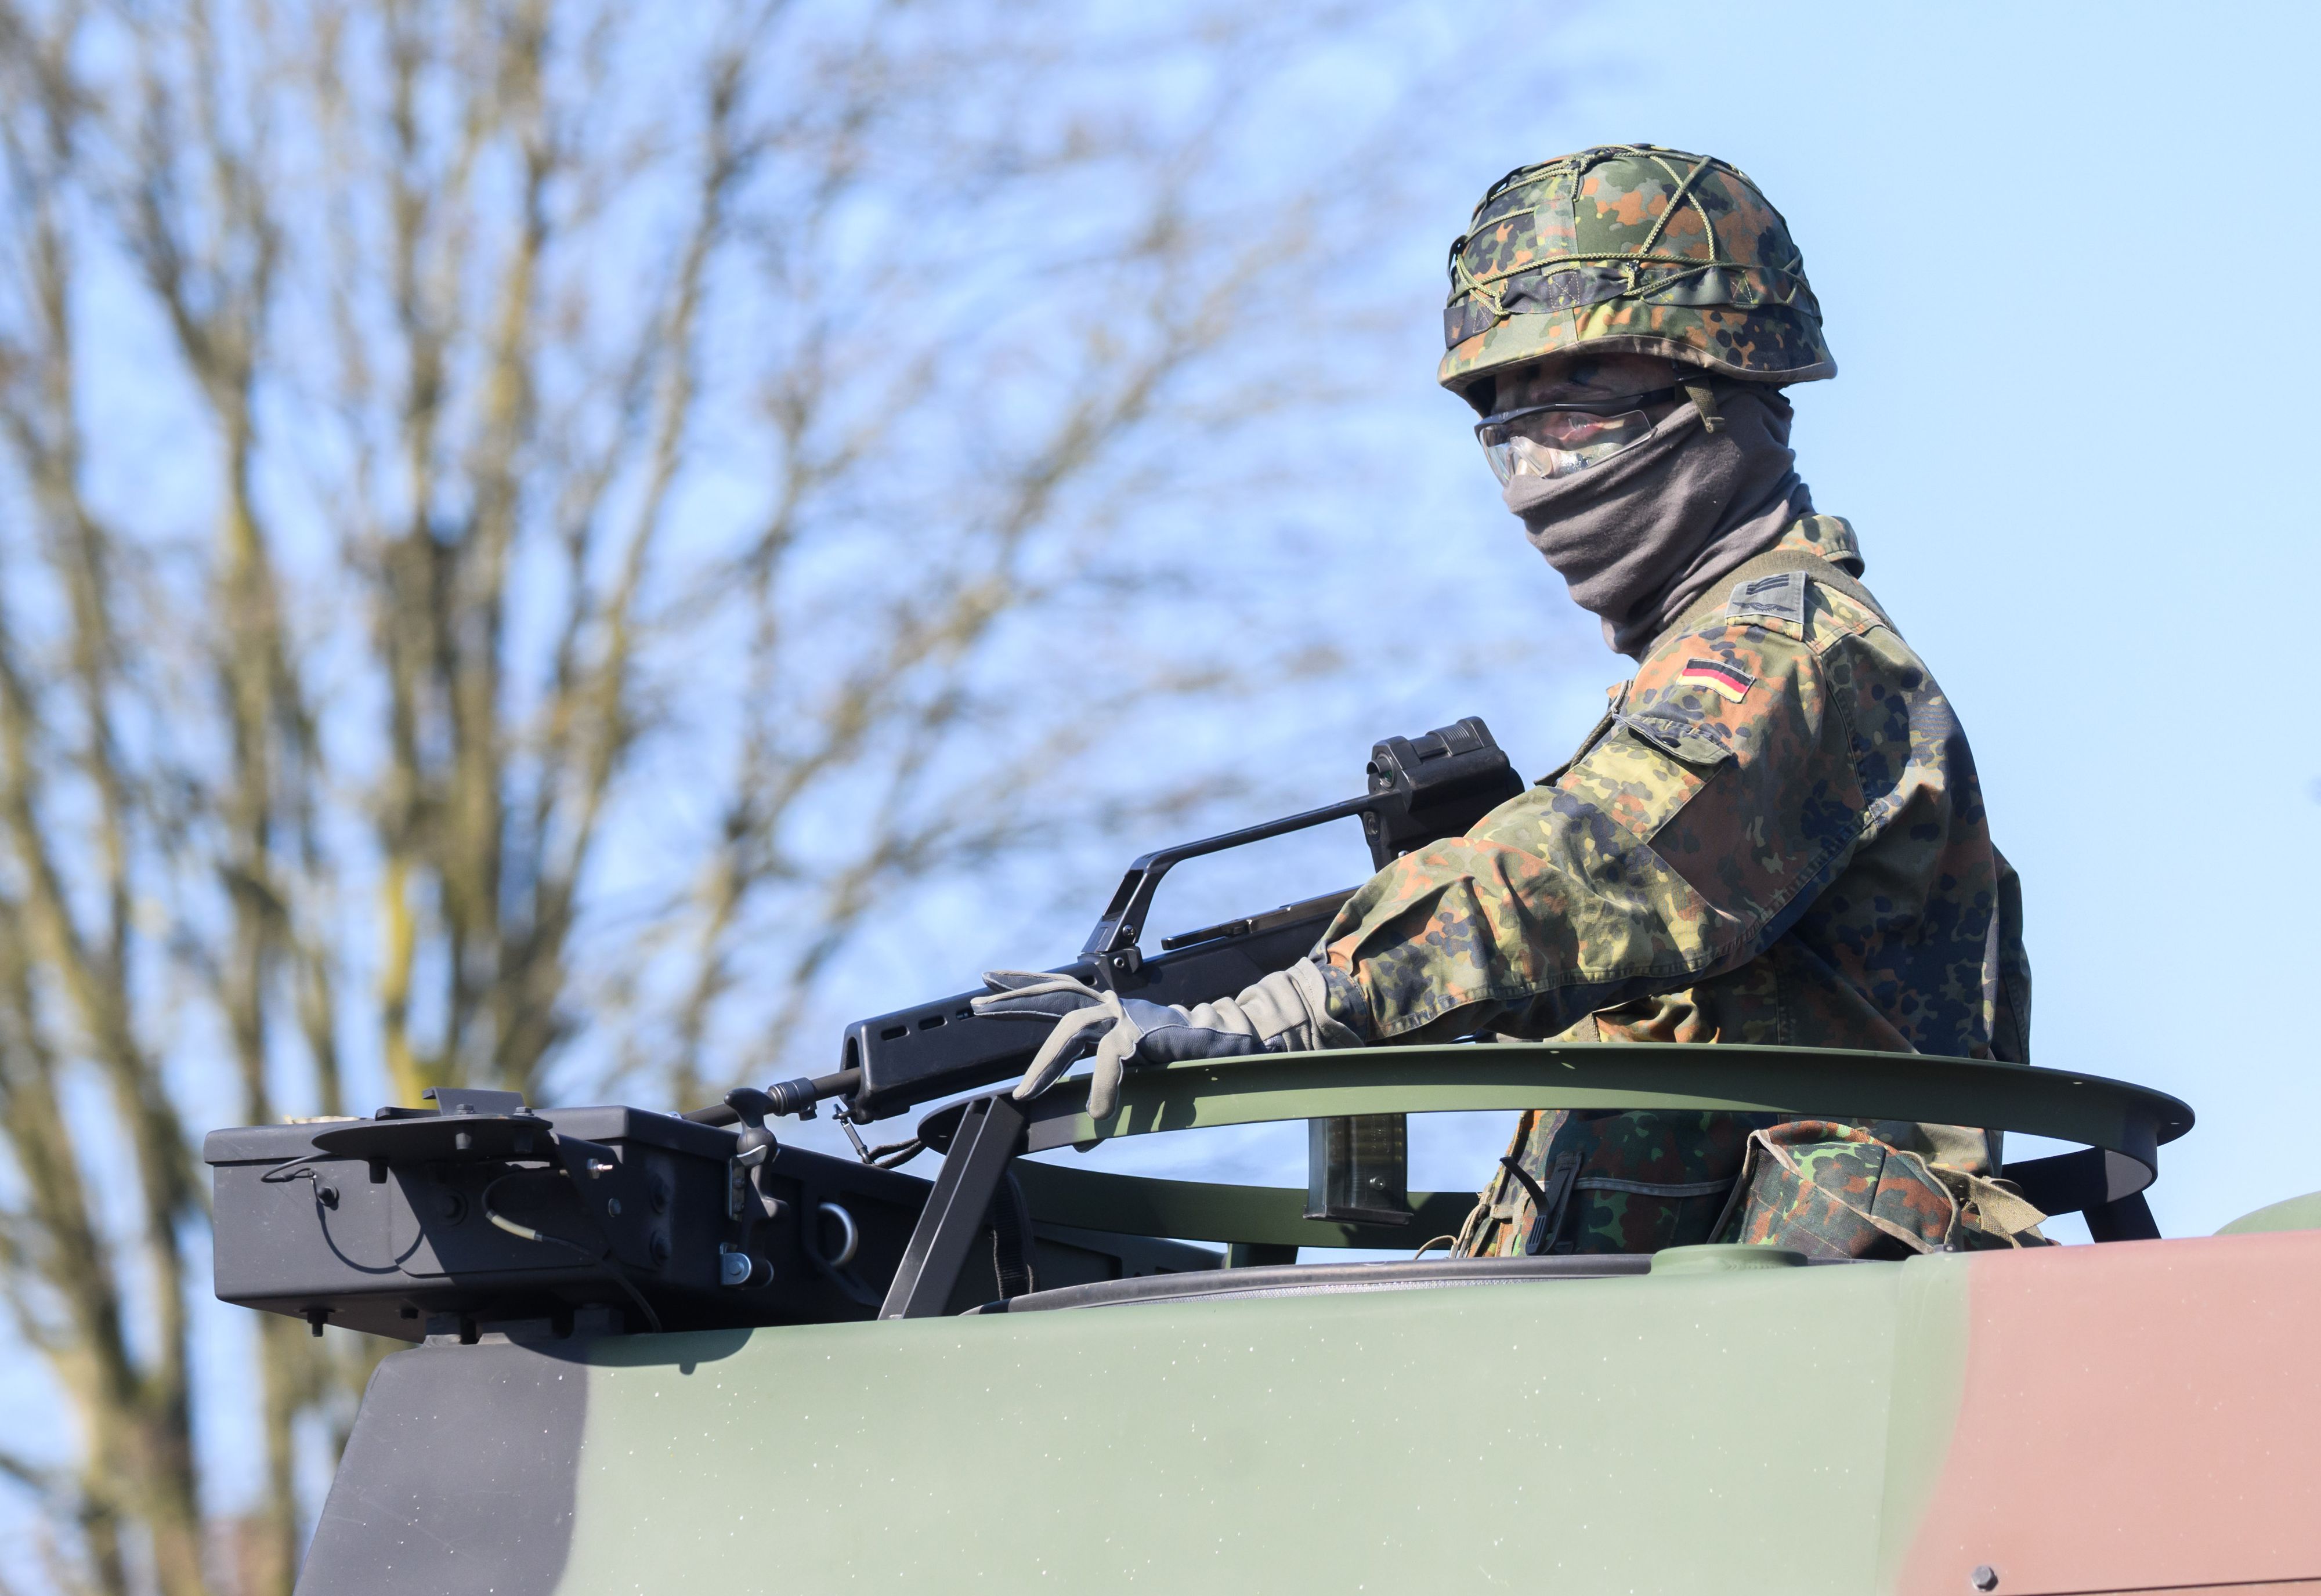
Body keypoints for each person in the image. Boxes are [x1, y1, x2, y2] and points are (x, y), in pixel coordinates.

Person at [979, 145, 2042, 1259]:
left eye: (1576, 401)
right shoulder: (1714, 658)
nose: (1537, 459)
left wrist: (1283, 1013)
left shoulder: (1793, 649)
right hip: (1691, 1312)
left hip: (1804, 1317)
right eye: (1505, 416)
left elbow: (1585, 863)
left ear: (1718, 394)